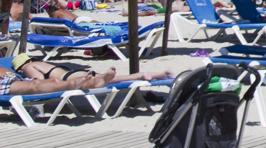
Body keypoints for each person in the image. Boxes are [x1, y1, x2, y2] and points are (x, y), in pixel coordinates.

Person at [11, 53, 170, 85]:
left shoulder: (29, 67)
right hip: (72, 73)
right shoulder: (40, 63)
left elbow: (39, 82)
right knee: (118, 78)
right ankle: (147, 74)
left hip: (69, 79)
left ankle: (105, 77)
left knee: (105, 80)